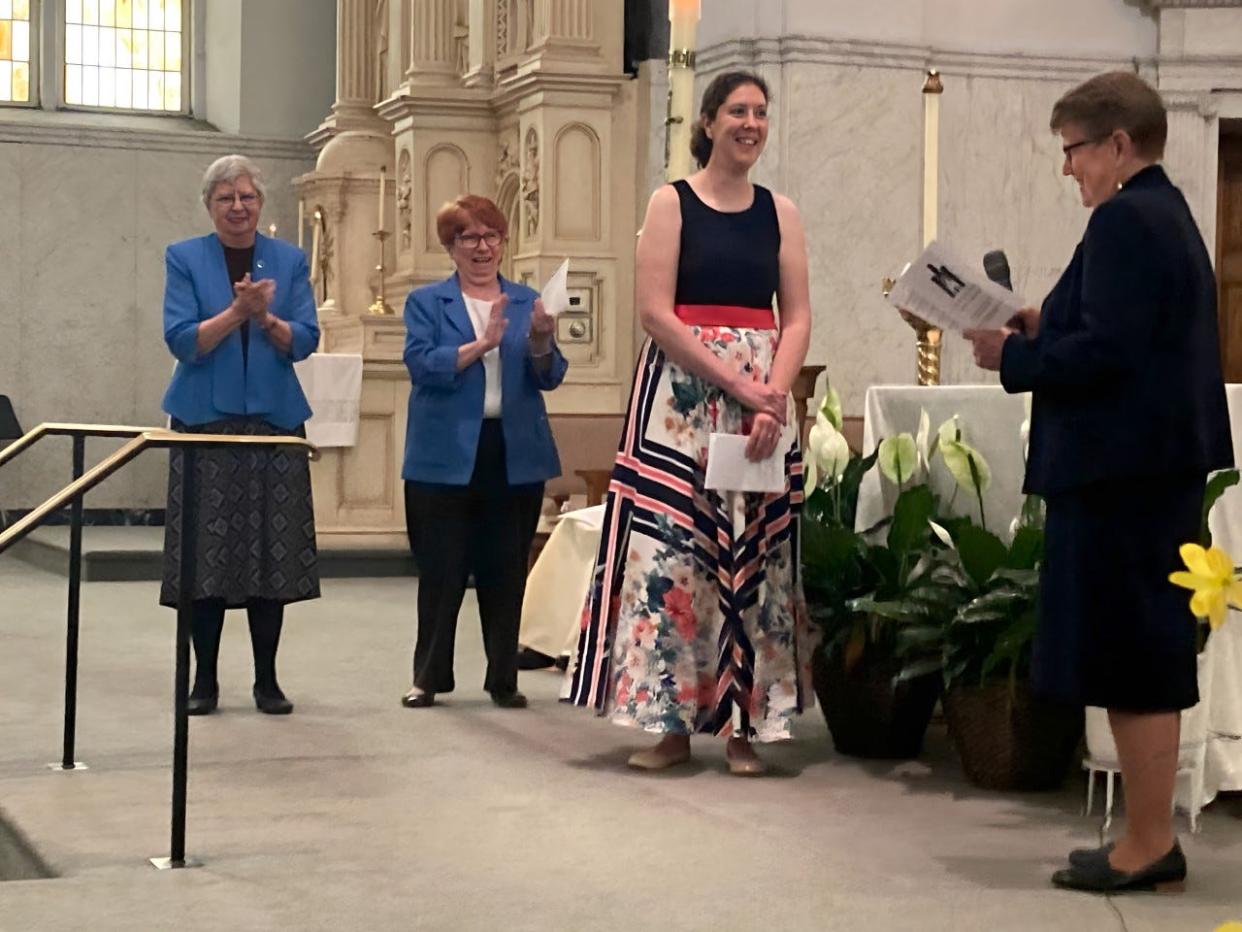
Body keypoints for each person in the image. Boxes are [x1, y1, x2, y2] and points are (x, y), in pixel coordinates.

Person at [963, 71, 1233, 893]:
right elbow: (1120, 331)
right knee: (1134, 653)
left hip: (1126, 476)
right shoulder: (1163, 213)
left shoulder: (1125, 221)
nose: (1069, 168)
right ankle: (1145, 836)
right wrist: (1046, 323)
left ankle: (1150, 843)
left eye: (1075, 151)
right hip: (1145, 471)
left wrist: (1010, 355)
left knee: (1135, 656)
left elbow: (1108, 355)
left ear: (1118, 145)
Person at [566, 71, 814, 776]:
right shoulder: (671, 203)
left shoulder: (781, 212)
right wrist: (735, 380)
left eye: (761, 112)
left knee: (756, 558)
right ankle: (669, 724)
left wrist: (771, 393)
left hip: (761, 396)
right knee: (673, 554)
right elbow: (654, 312)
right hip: (681, 398)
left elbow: (795, 315)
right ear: (707, 123)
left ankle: (745, 728)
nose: (751, 123)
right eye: (738, 110)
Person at [160, 154, 322, 716]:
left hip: (273, 421)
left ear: (261, 203)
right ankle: (203, 680)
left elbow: (304, 340)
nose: (238, 207)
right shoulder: (184, 257)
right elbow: (183, 340)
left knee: (271, 557)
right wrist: (238, 311)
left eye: (247, 197)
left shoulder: (290, 259)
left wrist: (268, 320)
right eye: (225, 198)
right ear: (209, 205)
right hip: (206, 421)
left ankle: (267, 680)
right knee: (205, 558)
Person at [400, 195, 567, 710]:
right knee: (442, 569)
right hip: (443, 454)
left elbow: (550, 375)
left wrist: (541, 339)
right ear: (450, 246)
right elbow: (423, 365)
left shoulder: (525, 300)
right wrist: (483, 344)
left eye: (492, 236)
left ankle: (503, 678)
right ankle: (428, 677)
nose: (482, 247)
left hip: (511, 450)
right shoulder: (427, 302)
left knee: (505, 568)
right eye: (469, 237)